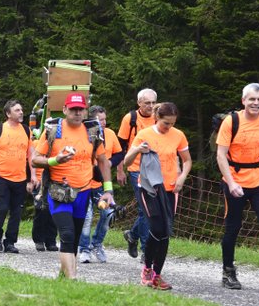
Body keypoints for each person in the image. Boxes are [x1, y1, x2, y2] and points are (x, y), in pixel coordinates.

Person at [30, 94, 114, 279]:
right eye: (73, 109)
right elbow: (35, 160)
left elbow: (103, 161)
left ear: (85, 111)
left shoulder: (92, 131)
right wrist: (55, 160)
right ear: (65, 109)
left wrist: (108, 191)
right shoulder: (53, 130)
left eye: (80, 109)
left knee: (74, 238)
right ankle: (72, 279)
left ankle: (64, 274)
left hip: (83, 192)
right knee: (67, 234)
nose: (77, 113)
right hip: (58, 191)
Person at [216, 83, 259, 289]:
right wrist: (232, 182)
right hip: (234, 180)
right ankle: (228, 272)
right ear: (243, 100)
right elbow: (220, 154)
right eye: (252, 99)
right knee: (233, 227)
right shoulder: (231, 121)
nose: (256, 103)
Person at [120, 102, 191, 290]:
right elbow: (127, 162)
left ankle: (158, 275)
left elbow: (187, 160)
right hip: (149, 188)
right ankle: (147, 270)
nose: (169, 127)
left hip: (170, 188)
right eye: (166, 123)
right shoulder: (144, 135)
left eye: (172, 123)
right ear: (157, 118)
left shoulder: (178, 136)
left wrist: (182, 177)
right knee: (156, 228)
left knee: (165, 232)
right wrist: (136, 150)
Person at [0, 100, 32, 253]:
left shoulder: (26, 130)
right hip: (2, 176)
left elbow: (31, 155)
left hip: (20, 177)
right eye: (17, 110)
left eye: (21, 109)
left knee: (16, 212)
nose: (21, 112)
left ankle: (10, 242)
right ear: (8, 113)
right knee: (2, 208)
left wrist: (33, 176)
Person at [79, 105, 124, 263]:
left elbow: (119, 153)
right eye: (100, 120)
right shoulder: (82, 134)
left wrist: (110, 163)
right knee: (87, 217)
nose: (104, 123)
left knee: (108, 213)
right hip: (83, 184)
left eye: (105, 119)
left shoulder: (110, 134)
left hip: (100, 185)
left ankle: (97, 244)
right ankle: (83, 249)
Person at [117, 88, 157, 259]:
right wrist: (120, 170)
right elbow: (119, 147)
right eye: (147, 103)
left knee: (150, 210)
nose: (151, 106)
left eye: (153, 102)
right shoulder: (130, 119)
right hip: (135, 168)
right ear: (139, 103)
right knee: (145, 210)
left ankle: (133, 235)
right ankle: (146, 250)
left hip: (155, 169)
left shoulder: (159, 116)